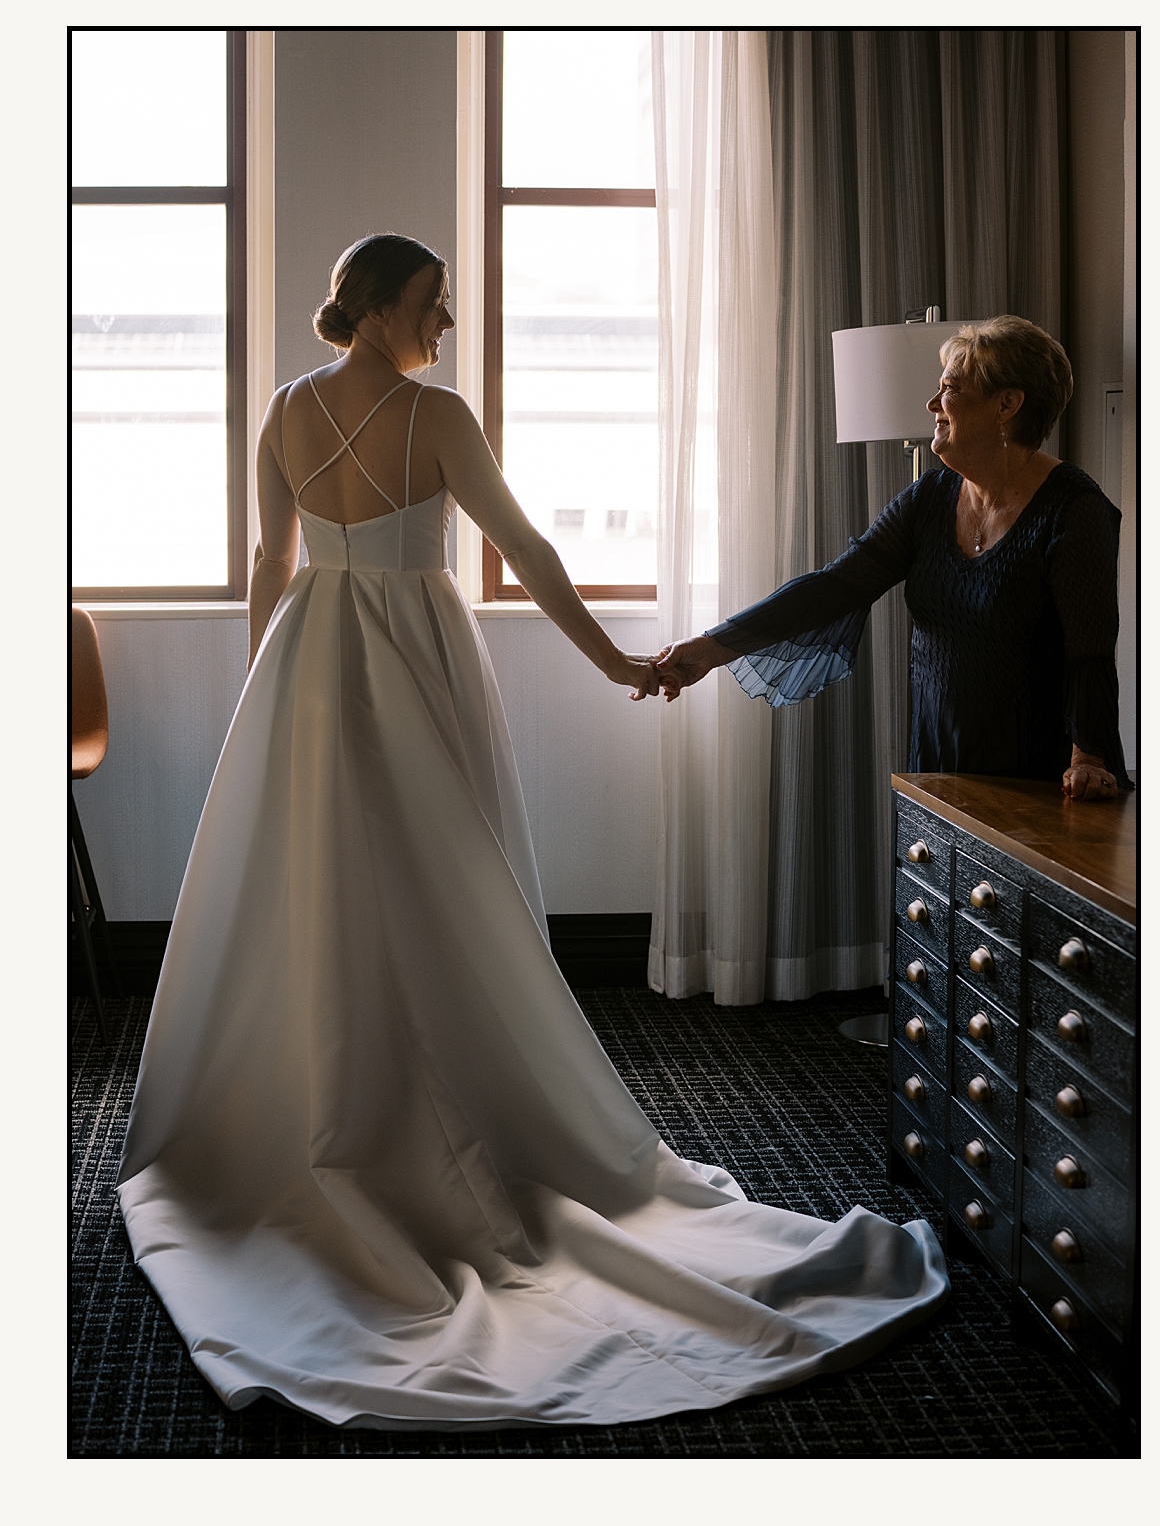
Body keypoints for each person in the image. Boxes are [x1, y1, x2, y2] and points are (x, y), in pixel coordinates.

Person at [115, 234, 948, 1430]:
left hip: (304, 663)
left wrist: (264, 687)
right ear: (390, 309)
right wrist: (614, 658)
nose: (443, 326)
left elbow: (271, 561)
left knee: (321, 885)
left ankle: (332, 1101)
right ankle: (427, 1102)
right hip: (414, 655)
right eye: (434, 307)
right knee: (444, 882)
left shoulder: (284, 414)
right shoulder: (435, 414)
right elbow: (526, 547)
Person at [651, 315, 1129, 800]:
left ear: (1007, 404)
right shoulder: (929, 499)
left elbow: (1088, 653)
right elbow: (836, 586)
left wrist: (1087, 757)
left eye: (949, 389)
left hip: (1040, 782)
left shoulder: (1075, 510)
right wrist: (711, 649)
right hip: (937, 765)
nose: (932, 405)